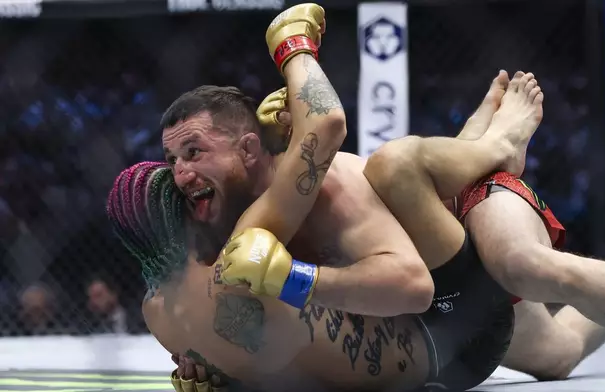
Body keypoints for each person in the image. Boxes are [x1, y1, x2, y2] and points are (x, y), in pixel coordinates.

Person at [109, 5, 540, 392]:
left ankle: (494, 144)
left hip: (440, 304)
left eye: (191, 154)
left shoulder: (161, 310)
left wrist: (291, 281)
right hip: (440, 343)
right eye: (171, 163)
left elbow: (326, 127)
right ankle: (484, 139)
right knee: (557, 349)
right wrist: (292, 47)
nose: (182, 174)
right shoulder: (227, 248)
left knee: (398, 173)